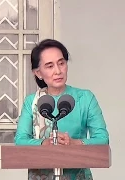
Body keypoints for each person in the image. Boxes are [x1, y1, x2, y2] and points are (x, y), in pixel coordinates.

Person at [14, 39, 109, 180]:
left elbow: (102, 139)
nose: (58, 71)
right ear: (38, 73)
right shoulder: (32, 102)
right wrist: (44, 143)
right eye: (49, 66)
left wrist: (75, 143)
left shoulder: (85, 98)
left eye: (61, 63)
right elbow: (20, 141)